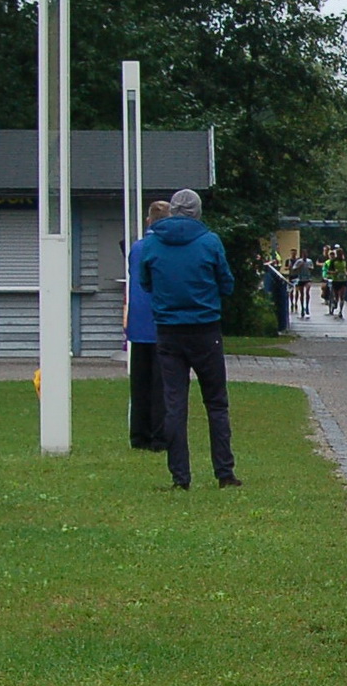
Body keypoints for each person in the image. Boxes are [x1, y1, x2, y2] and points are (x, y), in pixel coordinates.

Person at [137, 188, 240, 491]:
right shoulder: (209, 242)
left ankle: (180, 476)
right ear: (197, 212)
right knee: (216, 403)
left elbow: (145, 282)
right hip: (206, 329)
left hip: (169, 331)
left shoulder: (152, 243)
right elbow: (227, 283)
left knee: (174, 405)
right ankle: (224, 472)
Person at [125, 199, 172, 451]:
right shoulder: (165, 247)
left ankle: (138, 434)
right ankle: (159, 435)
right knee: (161, 383)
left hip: (137, 321)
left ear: (148, 221)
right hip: (160, 320)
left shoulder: (137, 247)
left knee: (140, 382)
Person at [291, 249, 315, 318]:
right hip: (300, 279)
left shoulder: (309, 261)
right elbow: (294, 269)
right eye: (303, 254)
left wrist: (310, 268)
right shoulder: (299, 261)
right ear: (302, 255)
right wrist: (299, 266)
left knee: (307, 291)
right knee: (301, 294)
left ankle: (307, 307)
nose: (304, 256)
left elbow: (312, 268)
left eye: (305, 254)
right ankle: (302, 307)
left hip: (308, 279)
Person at [323, 247, 346, 319]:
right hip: (335, 280)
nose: (340, 255)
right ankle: (335, 302)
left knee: (342, 296)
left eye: (341, 253)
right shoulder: (333, 261)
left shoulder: (344, 261)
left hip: (343, 280)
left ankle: (341, 312)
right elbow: (328, 271)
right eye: (338, 253)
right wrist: (334, 272)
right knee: (336, 296)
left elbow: (345, 269)